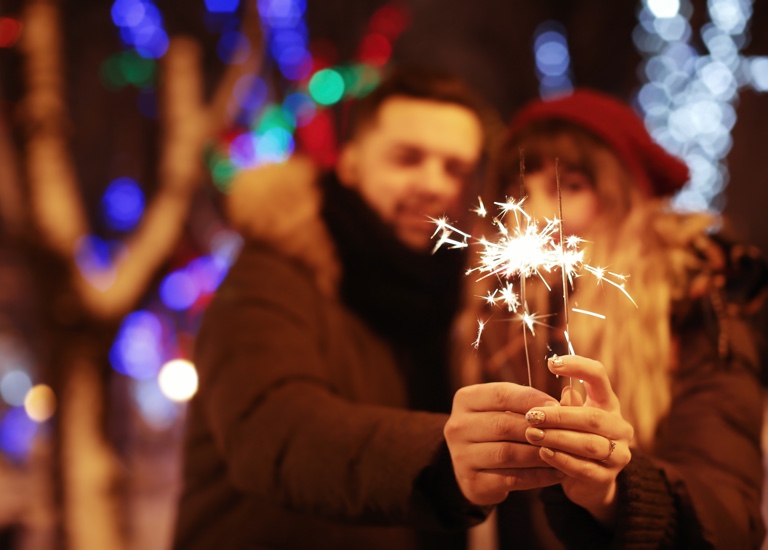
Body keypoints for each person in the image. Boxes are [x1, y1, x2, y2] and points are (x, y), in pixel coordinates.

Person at [171, 66, 543, 549]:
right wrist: (443, 453)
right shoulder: (272, 274)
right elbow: (275, 430)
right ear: (349, 164)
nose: (434, 184)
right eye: (407, 159)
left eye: (455, 168)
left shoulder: (454, 294)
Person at [443, 89, 768, 548]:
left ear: (624, 201)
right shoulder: (494, 320)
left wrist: (614, 491)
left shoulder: (695, 310)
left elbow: (730, 519)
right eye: (519, 192)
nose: (536, 215)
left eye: (570, 187)